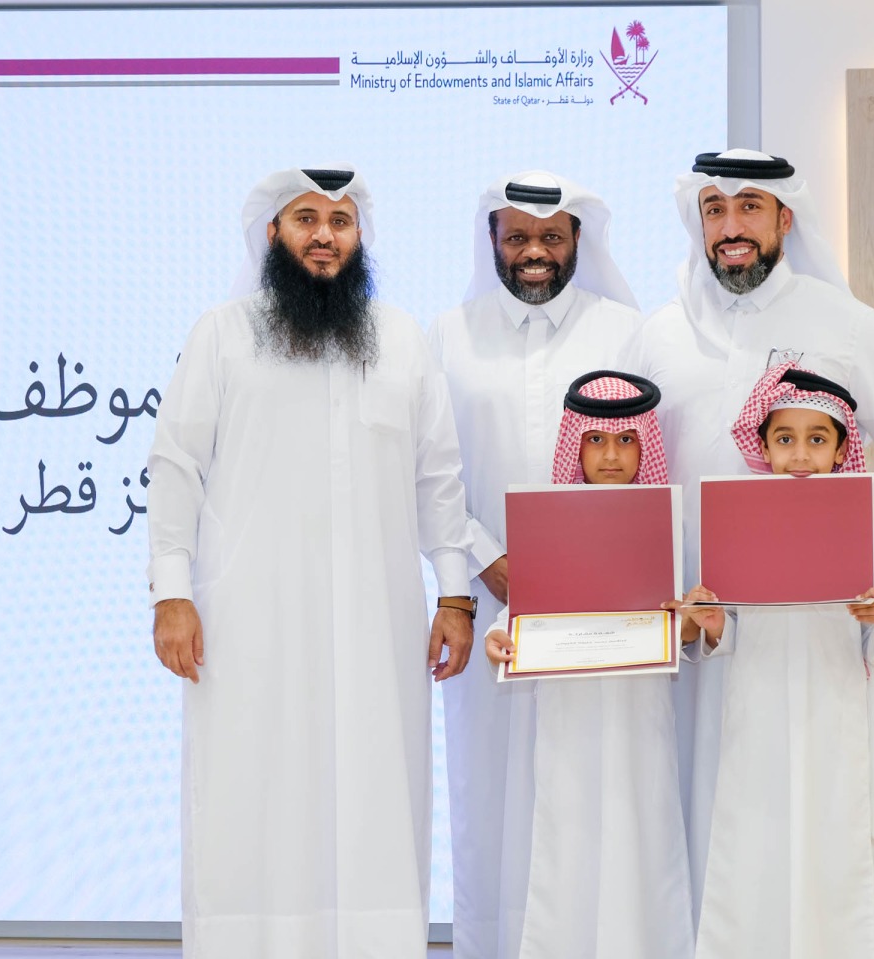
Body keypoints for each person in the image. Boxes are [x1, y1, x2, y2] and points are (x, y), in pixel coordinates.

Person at [148, 165, 475, 959]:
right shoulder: (221, 334)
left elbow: (438, 476)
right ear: (273, 233)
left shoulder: (401, 339)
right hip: (248, 624)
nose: (324, 236)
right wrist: (171, 594)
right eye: (306, 219)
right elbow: (175, 466)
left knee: (375, 793)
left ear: (360, 237)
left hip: (376, 623)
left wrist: (455, 595)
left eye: (340, 221)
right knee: (249, 794)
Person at [619, 148, 874, 922]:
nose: (731, 226)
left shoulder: (847, 324)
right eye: (715, 210)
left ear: (786, 218)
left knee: (808, 807)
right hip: (697, 621)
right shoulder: (658, 333)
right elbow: (626, 461)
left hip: (810, 628)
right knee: (700, 809)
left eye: (750, 207)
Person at [428, 171, 642, 959]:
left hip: (600, 610)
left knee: (586, 792)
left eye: (551, 236)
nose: (534, 252)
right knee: (489, 793)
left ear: (578, 239)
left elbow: (648, 458)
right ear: (491, 239)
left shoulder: (624, 331)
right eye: (517, 236)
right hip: (493, 602)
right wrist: (487, 562)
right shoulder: (448, 335)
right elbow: (432, 469)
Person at [679, 362, 874, 959]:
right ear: (763, 447)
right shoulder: (739, 523)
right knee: (755, 857)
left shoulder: (861, 529)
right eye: (785, 438)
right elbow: (729, 633)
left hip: (835, 723)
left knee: (833, 862)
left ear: (841, 450)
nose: (801, 455)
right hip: (758, 723)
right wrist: (714, 626)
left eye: (817, 439)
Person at [483, 370, 694, 959]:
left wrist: (690, 622)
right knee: (569, 837)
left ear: (646, 447)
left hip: (639, 713)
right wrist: (499, 636)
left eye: (626, 441)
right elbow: (526, 604)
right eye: (595, 440)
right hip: (569, 716)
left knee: (642, 834)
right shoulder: (552, 520)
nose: (610, 455)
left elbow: (686, 620)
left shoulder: (667, 522)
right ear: (574, 446)